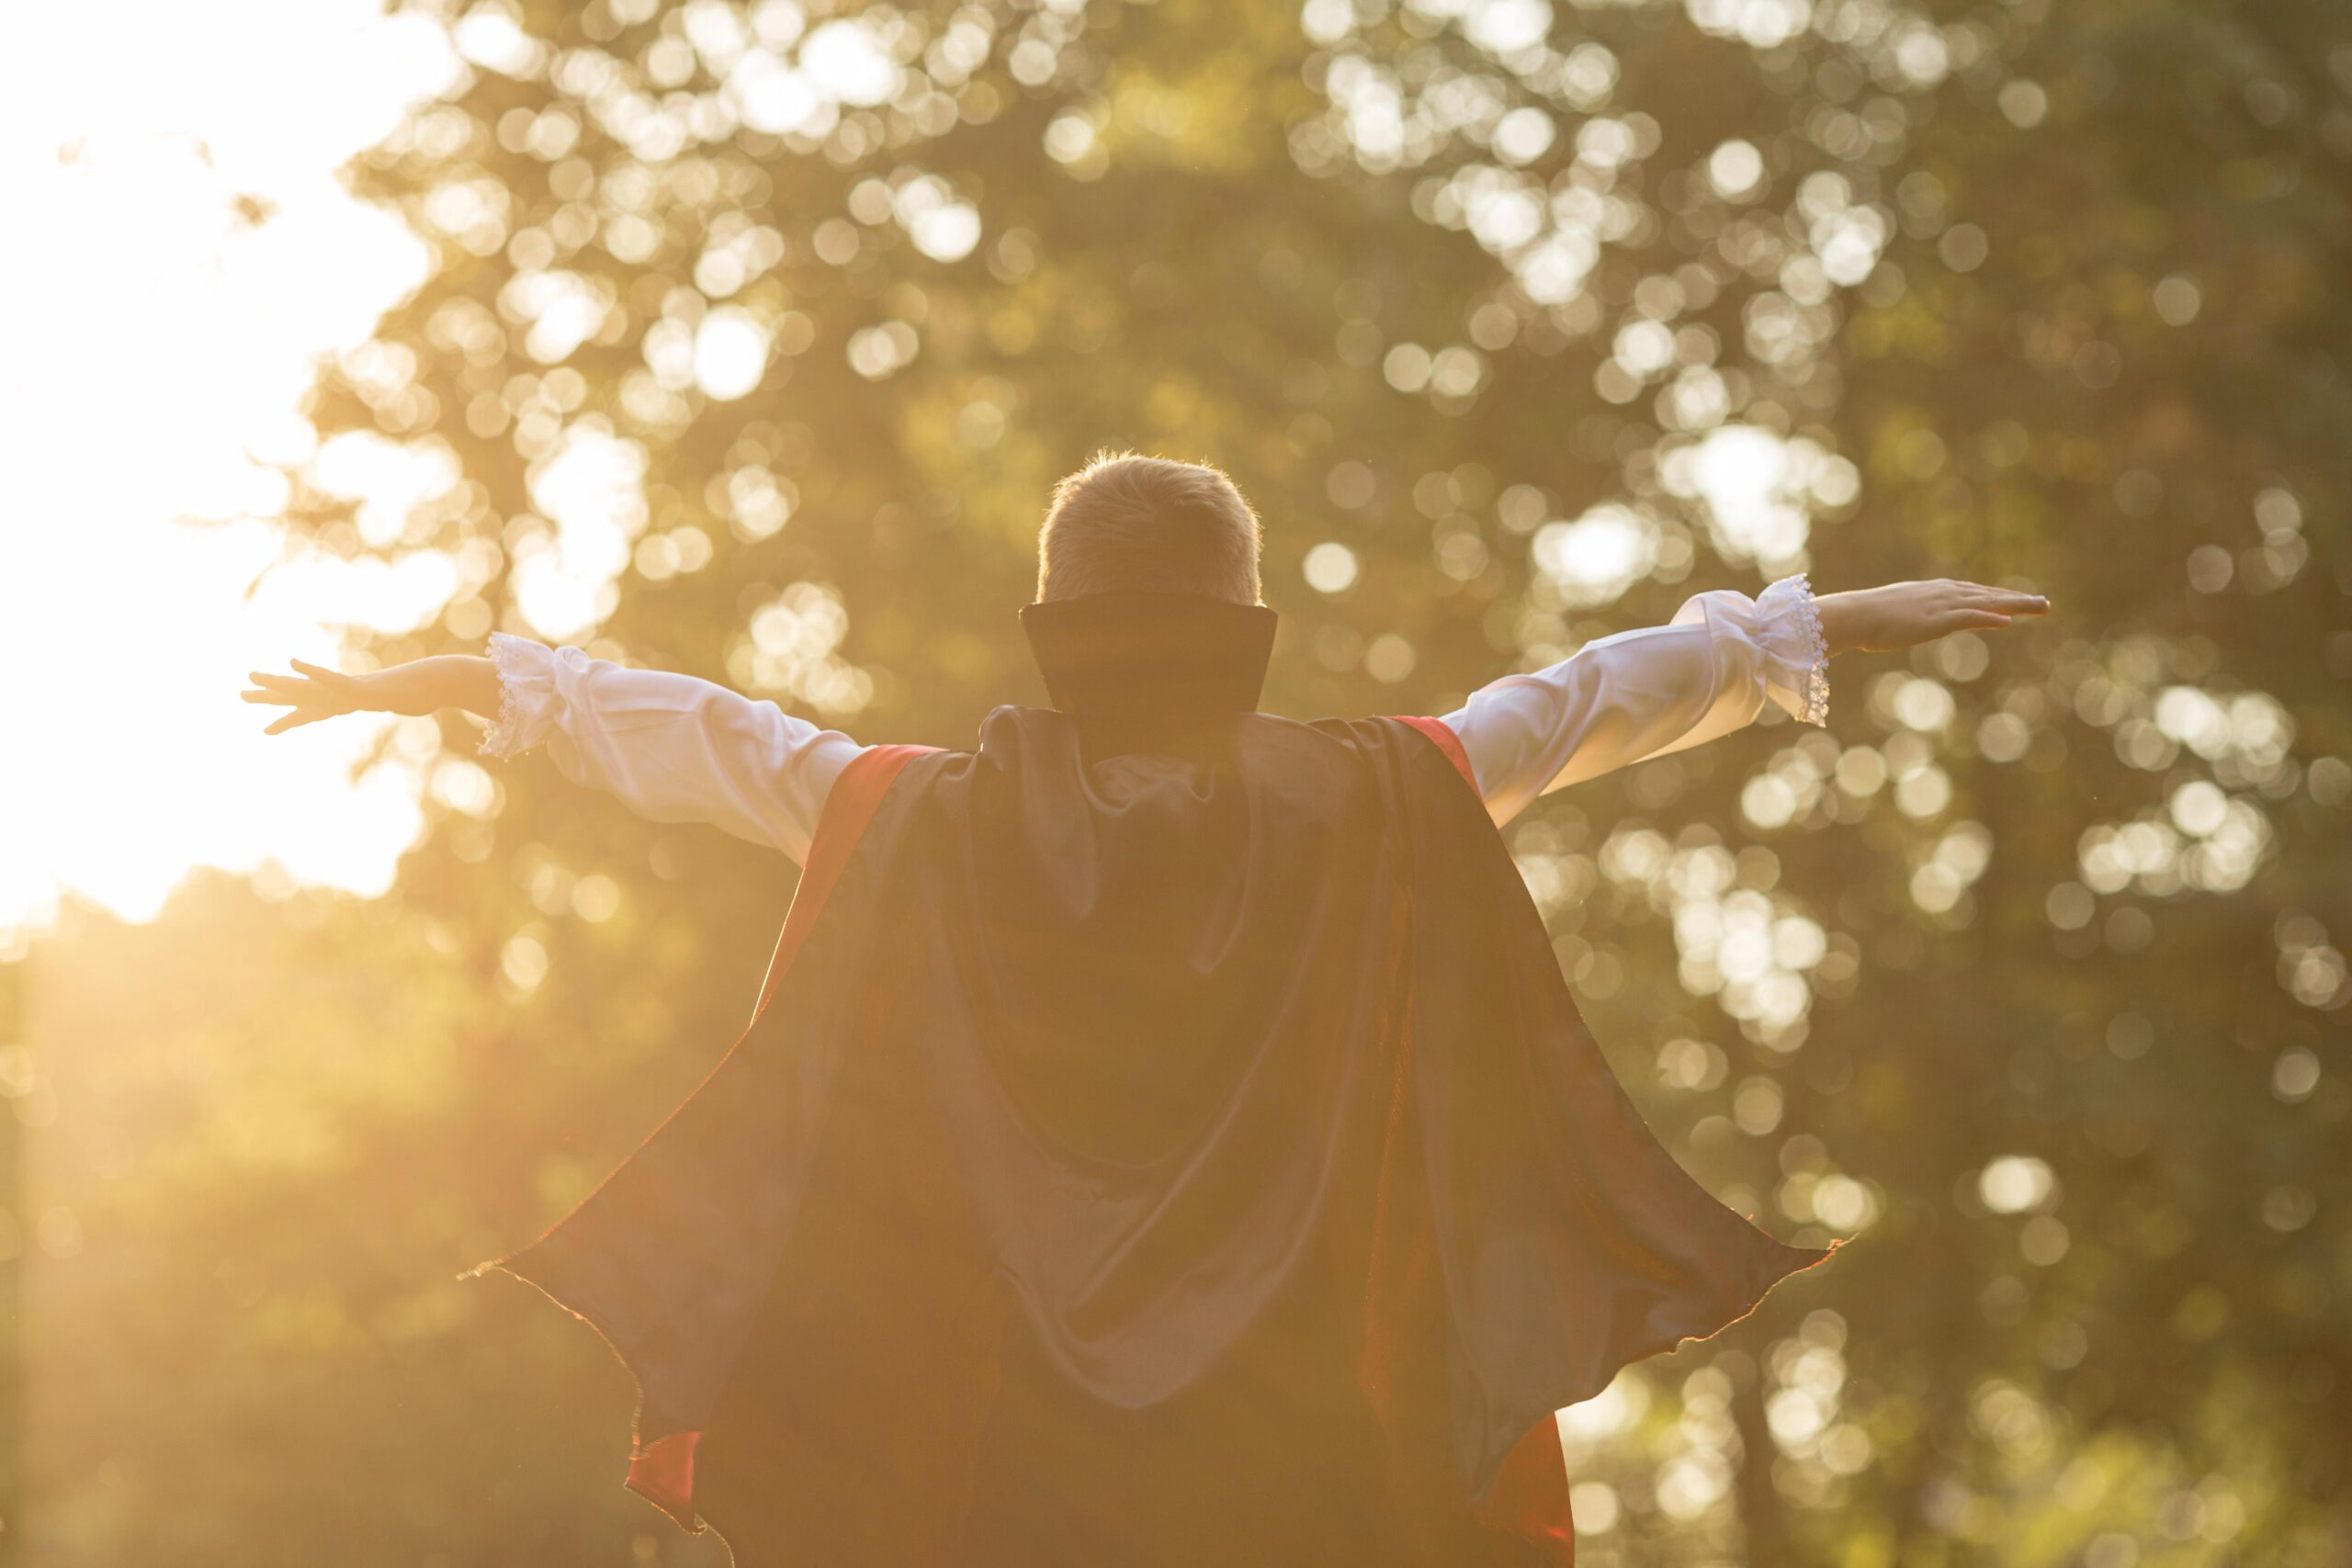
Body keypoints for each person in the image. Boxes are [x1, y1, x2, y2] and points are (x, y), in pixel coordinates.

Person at [245, 453, 2046, 1565]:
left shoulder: (922, 812)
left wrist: (459, 678)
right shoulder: (1371, 792)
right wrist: (1826, 619)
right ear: (1243, 619)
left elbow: (697, 730)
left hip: (1011, 1466)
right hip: (1303, 1452)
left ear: (1059, 621)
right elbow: (1585, 698)